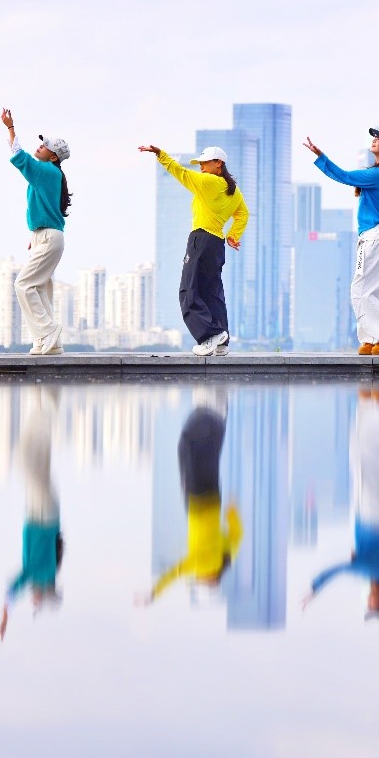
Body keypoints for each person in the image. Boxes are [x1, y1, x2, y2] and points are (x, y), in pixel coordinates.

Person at [303, 128, 379, 355]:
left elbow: (344, 176)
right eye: (375, 137)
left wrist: (321, 157)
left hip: (375, 237)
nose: (375, 140)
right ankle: (371, 338)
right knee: (370, 292)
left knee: (360, 291)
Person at [300, 388, 379, 621]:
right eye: (373, 605)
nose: (368, 602)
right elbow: (341, 569)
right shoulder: (375, 571)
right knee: (364, 450)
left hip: (370, 509)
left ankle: (368, 404)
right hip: (372, 509)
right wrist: (315, 587)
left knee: (359, 450)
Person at [139, 144, 249, 356]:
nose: (201, 167)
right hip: (216, 244)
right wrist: (233, 235)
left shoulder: (209, 182)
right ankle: (222, 341)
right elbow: (243, 214)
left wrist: (161, 155)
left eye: (205, 163)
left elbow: (181, 173)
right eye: (200, 163)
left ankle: (209, 336)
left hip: (201, 239)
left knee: (188, 291)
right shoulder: (233, 191)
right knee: (212, 293)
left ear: (219, 164)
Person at [138, 389, 243, 605]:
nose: (198, 578)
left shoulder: (227, 557)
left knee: (206, 458)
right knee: (188, 447)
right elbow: (173, 574)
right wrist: (153, 593)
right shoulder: (202, 565)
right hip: (196, 501)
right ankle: (210, 409)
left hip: (212, 499)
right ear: (211, 579)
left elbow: (237, 534)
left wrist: (232, 511)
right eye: (202, 581)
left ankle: (217, 411)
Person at [0, 387, 64, 641]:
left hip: (44, 513)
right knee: (24, 460)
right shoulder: (42, 574)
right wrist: (5, 619)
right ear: (46, 591)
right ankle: (47, 404)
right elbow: (14, 588)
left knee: (37, 453)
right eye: (38, 600)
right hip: (43, 514)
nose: (33, 599)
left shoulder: (48, 572)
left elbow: (19, 588)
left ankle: (48, 397)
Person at [1, 109, 72, 356]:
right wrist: (35, 236)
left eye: (45, 146)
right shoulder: (51, 174)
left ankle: (48, 331)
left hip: (48, 237)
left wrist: (10, 128)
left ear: (53, 157)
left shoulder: (46, 171)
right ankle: (50, 342)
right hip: (46, 236)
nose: (40, 146)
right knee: (39, 288)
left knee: (23, 284)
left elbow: (19, 157)